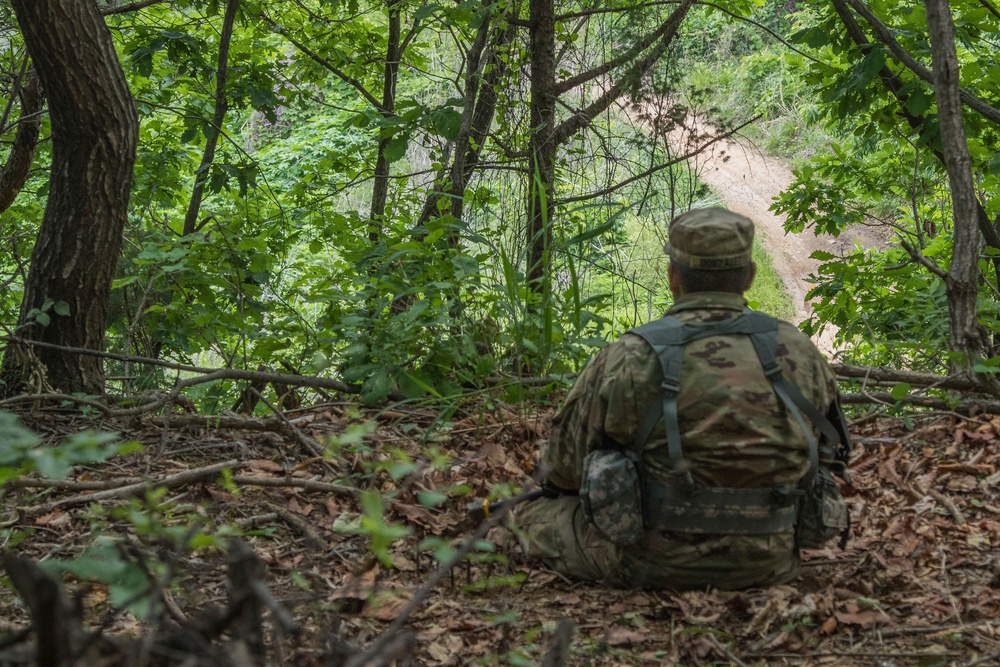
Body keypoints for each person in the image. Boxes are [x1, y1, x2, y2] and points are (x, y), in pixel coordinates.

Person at [513, 207, 850, 590]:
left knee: (525, 514)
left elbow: (563, 470)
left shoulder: (631, 355)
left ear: (674, 277)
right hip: (769, 561)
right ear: (750, 277)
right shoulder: (800, 352)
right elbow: (829, 457)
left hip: (648, 561)